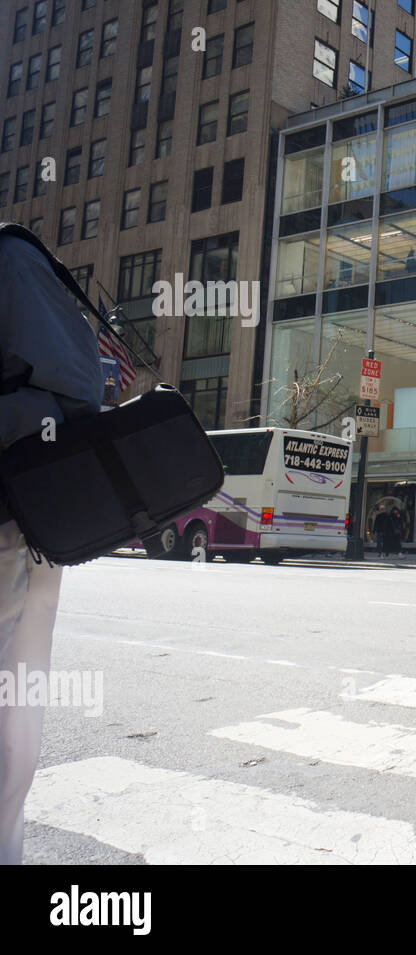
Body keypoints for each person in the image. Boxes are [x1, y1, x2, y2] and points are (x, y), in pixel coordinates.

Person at [0, 224, 106, 864]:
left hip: (19, 526)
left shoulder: (10, 259)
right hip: (23, 524)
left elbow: (78, 390)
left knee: (17, 706)